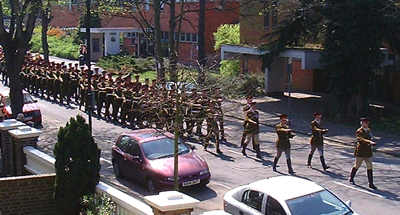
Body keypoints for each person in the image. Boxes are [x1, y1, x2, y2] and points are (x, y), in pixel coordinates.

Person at [349, 118, 377, 189]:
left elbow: (371, 137)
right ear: (361, 123)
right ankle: (351, 177)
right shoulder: (359, 131)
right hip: (361, 152)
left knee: (370, 167)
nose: (366, 124)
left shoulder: (369, 130)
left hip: (368, 152)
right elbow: (361, 139)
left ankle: (371, 183)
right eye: (364, 123)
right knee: (357, 165)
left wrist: (372, 140)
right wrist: (369, 142)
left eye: (367, 123)